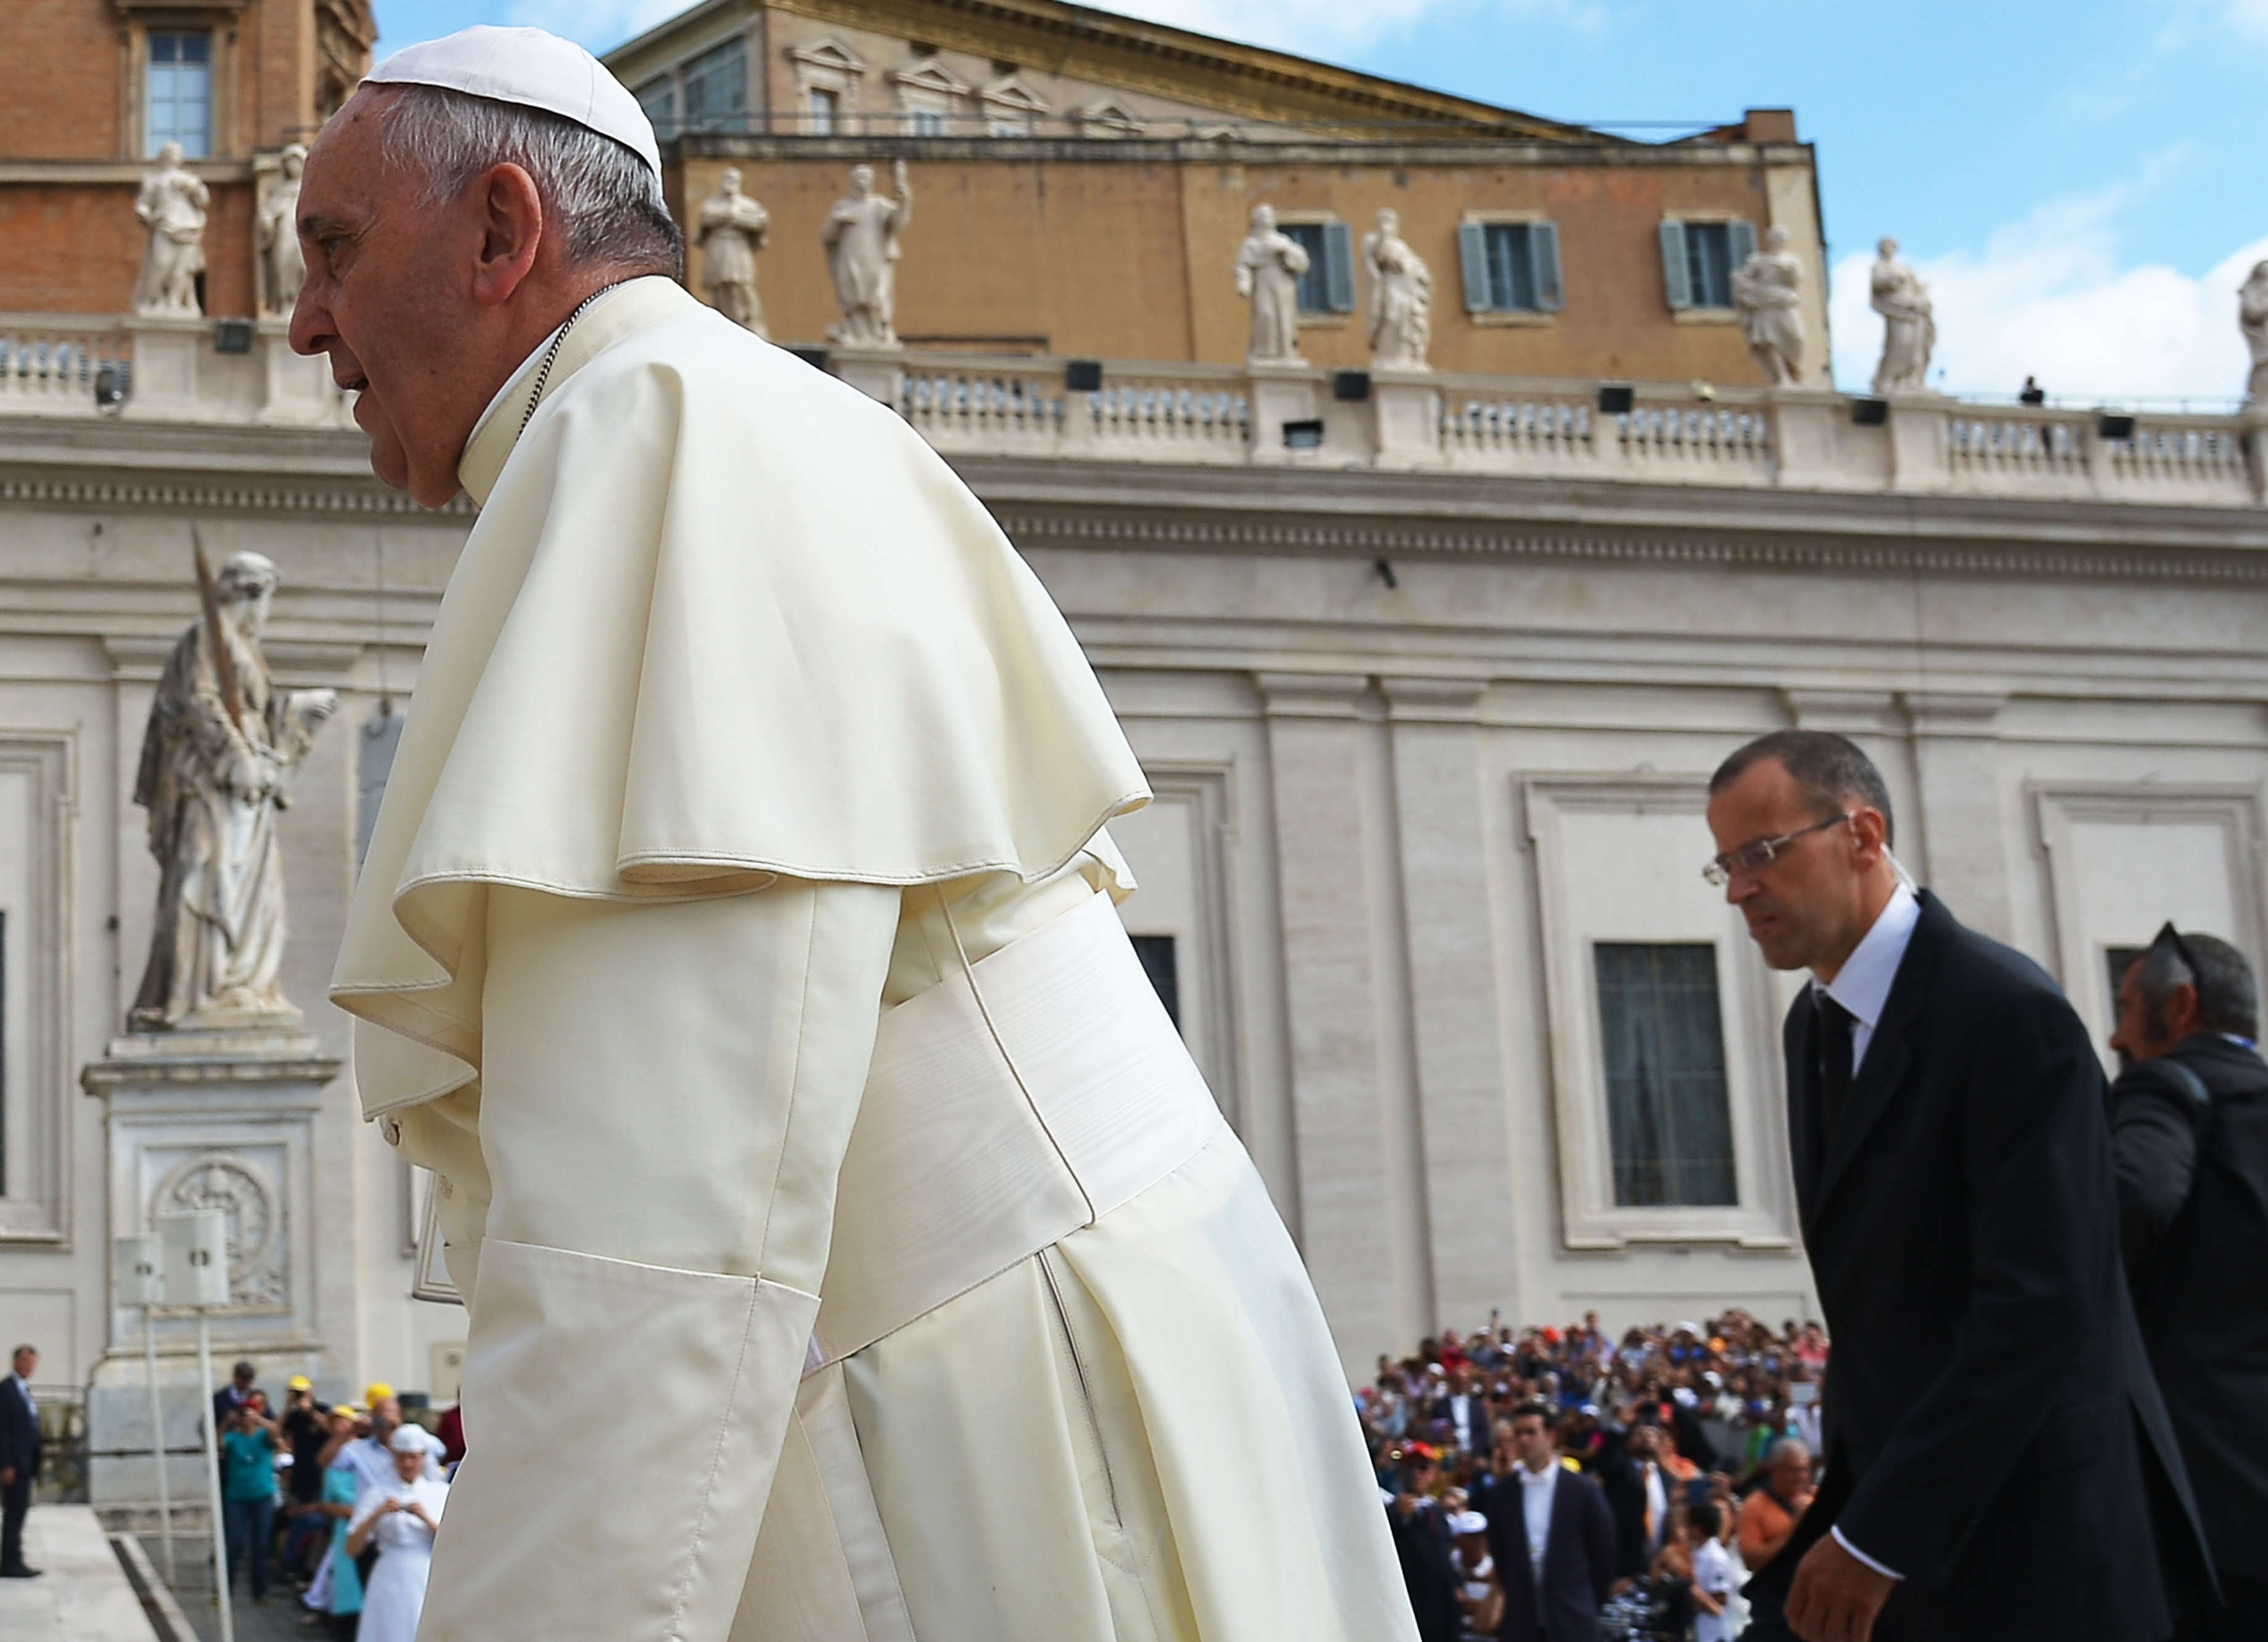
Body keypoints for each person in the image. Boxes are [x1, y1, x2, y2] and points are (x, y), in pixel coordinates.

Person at [297, 24, 1412, 1642]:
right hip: (1015, 1350)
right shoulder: (702, 416)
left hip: (994, 1406)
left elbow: (654, 1231)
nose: (301, 318)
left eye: (331, 250)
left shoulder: (652, 434)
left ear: (497, 232)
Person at [1705, 728, 2205, 1641]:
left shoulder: (2008, 1014)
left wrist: (1876, 1536)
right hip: (1905, 1522)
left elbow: (2039, 1304)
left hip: (2027, 1544)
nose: (1738, 888)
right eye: (1725, 863)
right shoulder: (1810, 1027)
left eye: (1760, 853)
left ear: (1861, 835)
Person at [2109, 926, 2268, 1638]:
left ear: (2178, 1007)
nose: (2115, 1036)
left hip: (2206, 1506)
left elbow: (2135, 1198)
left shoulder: (2165, 1082)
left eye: (2123, 1008)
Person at [1483, 1402, 1615, 1642]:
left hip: (1572, 1616)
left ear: (1551, 1436)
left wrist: (1585, 1599)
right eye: (1518, 1433)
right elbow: (1500, 1552)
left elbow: (1603, 1552)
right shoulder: (1503, 1494)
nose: (1524, 1440)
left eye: (1531, 1432)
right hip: (1523, 1619)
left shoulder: (1581, 1490)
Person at [348, 1426, 448, 1642]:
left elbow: (453, 1544)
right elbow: (352, 1547)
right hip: (388, 1572)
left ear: (423, 1457)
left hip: (426, 1571)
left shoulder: (440, 1492)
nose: (407, 1464)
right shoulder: (377, 1492)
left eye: (413, 1457)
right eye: (401, 1457)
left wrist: (426, 1519)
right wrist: (376, 1515)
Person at [1388, 1445, 1464, 1642]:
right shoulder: (1392, 1511)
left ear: (1433, 1473)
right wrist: (1401, 1518)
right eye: (1410, 1467)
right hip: (1414, 1603)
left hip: (1442, 1604)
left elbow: (1445, 1554)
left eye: (1423, 1467)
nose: (1416, 1473)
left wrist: (1456, 1584)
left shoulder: (1437, 1513)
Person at [219, 1399, 282, 1605]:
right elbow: (218, 1443)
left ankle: (260, 1592)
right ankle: (224, 1590)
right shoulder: (233, 1438)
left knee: (261, 1544)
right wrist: (225, 1423)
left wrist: (260, 1420)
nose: (246, 1418)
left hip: (262, 1495)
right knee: (235, 1543)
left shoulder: (264, 1436)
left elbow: (275, 1432)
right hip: (237, 1496)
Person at [1737, 1437, 1815, 1570]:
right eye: (1794, 1471)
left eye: (1804, 1470)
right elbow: (1751, 1562)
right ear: (1774, 1470)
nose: (1800, 1477)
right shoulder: (1754, 1506)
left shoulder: (1818, 1497)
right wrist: (1794, 1532)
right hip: (1777, 1584)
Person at [0, 1344, 39, 1578]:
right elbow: (2, 1430)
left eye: (32, 1363)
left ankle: (16, 1557)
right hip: (14, 1465)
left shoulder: (24, 1389)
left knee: (20, 1512)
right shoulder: (6, 1390)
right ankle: (10, 1561)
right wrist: (6, 1464)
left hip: (26, 1463)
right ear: (15, 1362)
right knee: (13, 1513)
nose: (28, 1367)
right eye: (25, 1362)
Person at [1685, 1500, 1737, 1642]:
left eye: (1688, 1525)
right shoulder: (1696, 1552)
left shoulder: (1716, 1557)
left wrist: (1689, 1590)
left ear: (1698, 1528)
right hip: (1699, 1631)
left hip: (1715, 1634)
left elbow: (1720, 1602)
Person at [1449, 1509, 1502, 1638]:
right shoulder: (1448, 1568)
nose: (1480, 1540)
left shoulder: (1498, 1569)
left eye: (1483, 1535)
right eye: (1472, 1536)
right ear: (1458, 1540)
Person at [213, 1360, 257, 1435]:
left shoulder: (256, 1396)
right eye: (243, 1378)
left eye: (249, 1378)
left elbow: (269, 1417)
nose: (246, 1381)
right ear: (235, 1376)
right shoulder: (219, 1398)